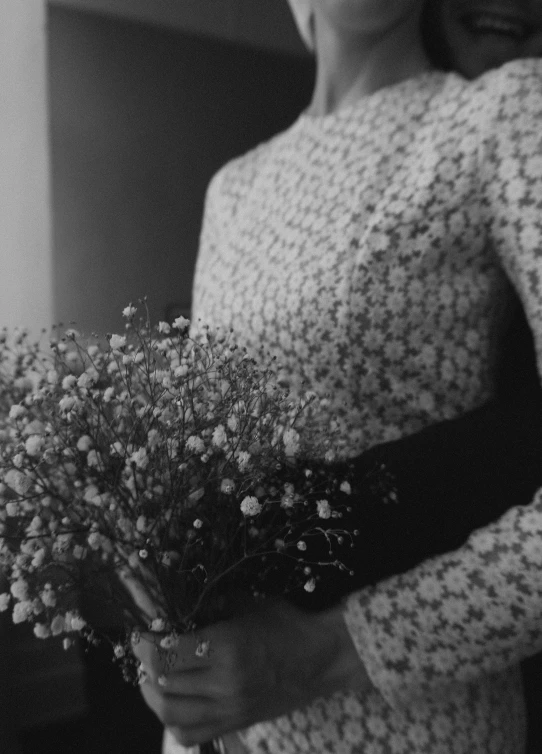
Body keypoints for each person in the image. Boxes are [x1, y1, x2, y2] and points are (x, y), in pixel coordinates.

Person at [134, 1, 542, 752]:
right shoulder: (233, 188)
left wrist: (328, 654)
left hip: (410, 718)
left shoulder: (502, 113)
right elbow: (198, 469)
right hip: (231, 723)